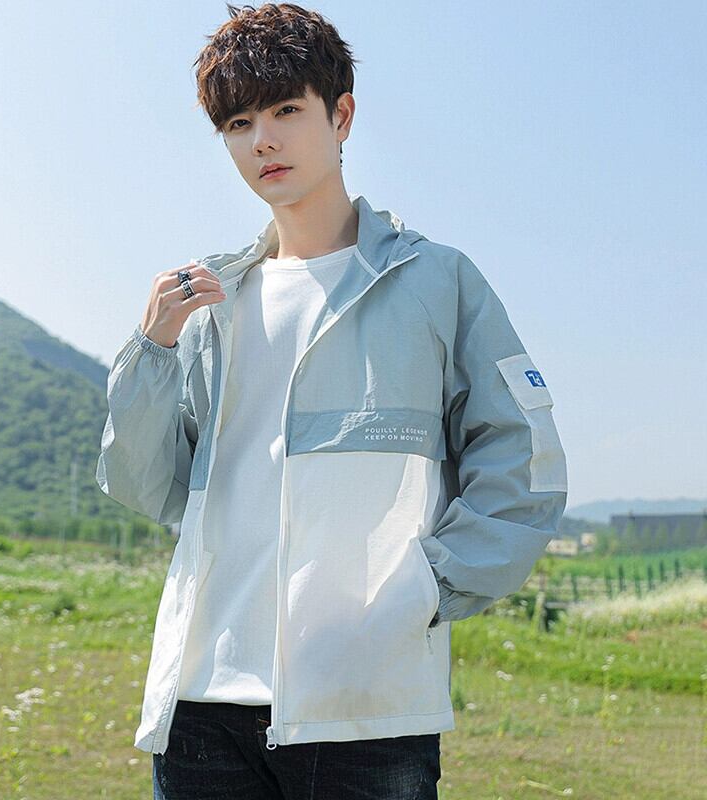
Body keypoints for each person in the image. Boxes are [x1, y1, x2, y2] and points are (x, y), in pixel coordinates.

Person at [95, 3, 568, 798]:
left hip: (365, 708)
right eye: (239, 123)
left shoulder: (437, 281)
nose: (263, 140)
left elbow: (526, 463)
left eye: (286, 110)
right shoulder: (212, 304)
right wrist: (152, 352)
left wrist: (426, 588)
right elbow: (149, 487)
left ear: (341, 115)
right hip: (200, 703)